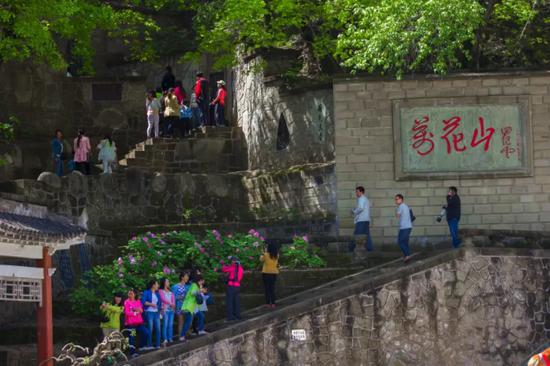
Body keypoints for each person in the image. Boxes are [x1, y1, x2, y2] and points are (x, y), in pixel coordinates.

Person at [123, 288, 150, 357]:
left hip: (139, 323)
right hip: (131, 324)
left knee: (146, 332)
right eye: (129, 293)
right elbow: (126, 312)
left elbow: (141, 310)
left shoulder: (138, 301)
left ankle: (141, 346)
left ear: (135, 294)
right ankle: (132, 353)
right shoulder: (126, 302)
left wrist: (134, 309)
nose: (130, 294)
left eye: (131, 293)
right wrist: (135, 312)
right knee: (132, 337)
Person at [350, 186, 374, 253]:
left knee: (356, 234)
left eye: (357, 191)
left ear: (361, 192)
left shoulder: (361, 198)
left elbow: (360, 208)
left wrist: (354, 211)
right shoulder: (365, 199)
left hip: (361, 220)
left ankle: (351, 249)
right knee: (366, 235)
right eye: (356, 192)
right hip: (366, 220)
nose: (356, 193)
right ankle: (370, 249)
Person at [179, 275, 201, 341]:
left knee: (188, 322)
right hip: (188, 307)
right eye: (201, 281)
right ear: (199, 280)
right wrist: (199, 292)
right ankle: (182, 336)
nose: (202, 283)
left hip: (190, 307)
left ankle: (182, 336)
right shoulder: (194, 285)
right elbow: (192, 293)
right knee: (188, 322)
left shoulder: (194, 285)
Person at [222, 256, 243, 321]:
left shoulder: (232, 267)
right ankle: (237, 316)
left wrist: (223, 264)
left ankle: (230, 317)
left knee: (230, 302)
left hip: (231, 286)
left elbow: (224, 269)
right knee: (236, 302)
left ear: (233, 261)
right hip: (237, 286)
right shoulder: (241, 268)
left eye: (232, 261)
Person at [141, 279, 161, 350]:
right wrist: (151, 304)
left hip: (156, 313)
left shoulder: (157, 293)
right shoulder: (146, 292)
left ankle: (158, 344)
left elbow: (159, 304)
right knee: (150, 328)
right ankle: (149, 345)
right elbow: (143, 302)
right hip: (149, 312)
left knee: (158, 329)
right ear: (153, 285)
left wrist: (159, 310)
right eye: (156, 284)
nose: (158, 285)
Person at [395, 194, 413, 262]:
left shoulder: (401, 206)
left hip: (404, 227)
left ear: (401, 199)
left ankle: (407, 255)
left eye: (397, 199)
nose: (396, 201)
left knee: (400, 242)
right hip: (408, 227)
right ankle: (406, 255)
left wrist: (397, 213)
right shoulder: (406, 206)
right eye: (395, 199)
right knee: (405, 242)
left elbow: (398, 216)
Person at [171, 272, 190, 338]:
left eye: (187, 276)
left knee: (188, 321)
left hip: (187, 306)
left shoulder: (187, 286)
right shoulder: (175, 287)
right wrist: (182, 297)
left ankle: (185, 334)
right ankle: (180, 336)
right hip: (179, 306)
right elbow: (173, 298)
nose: (187, 277)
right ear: (182, 277)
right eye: (186, 276)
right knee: (181, 322)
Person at [260, 243, 279, 309]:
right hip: (274, 273)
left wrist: (263, 253)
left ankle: (268, 303)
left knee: (267, 289)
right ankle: (273, 303)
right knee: (272, 289)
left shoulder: (265, 254)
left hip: (266, 273)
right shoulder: (277, 255)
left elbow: (261, 260)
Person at [158, 278, 175, 345]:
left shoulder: (170, 291)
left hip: (171, 310)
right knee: (165, 325)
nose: (168, 282)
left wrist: (173, 305)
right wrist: (170, 303)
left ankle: (170, 338)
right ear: (164, 282)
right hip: (165, 310)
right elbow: (163, 299)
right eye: (167, 281)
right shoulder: (160, 291)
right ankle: (165, 339)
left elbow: (173, 299)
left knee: (170, 325)